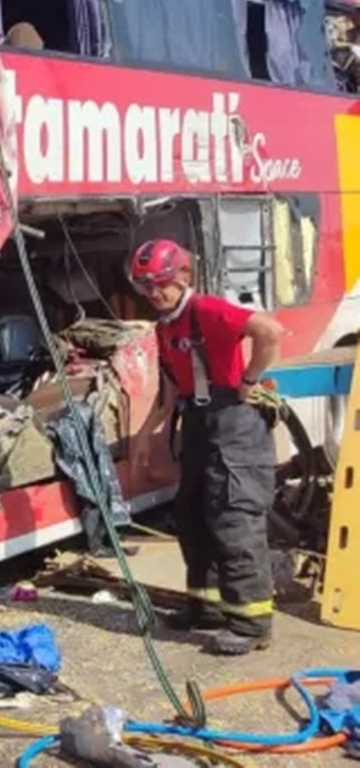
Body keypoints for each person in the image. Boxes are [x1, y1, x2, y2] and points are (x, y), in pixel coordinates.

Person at [128, 240, 283, 655]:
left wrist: (249, 382)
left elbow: (270, 332)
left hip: (235, 424)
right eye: (146, 286)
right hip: (199, 421)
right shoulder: (165, 326)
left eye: (160, 283)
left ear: (181, 276)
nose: (154, 294)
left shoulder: (208, 310)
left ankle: (252, 624)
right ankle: (207, 607)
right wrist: (147, 435)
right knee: (193, 513)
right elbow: (173, 388)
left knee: (233, 516)